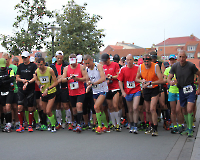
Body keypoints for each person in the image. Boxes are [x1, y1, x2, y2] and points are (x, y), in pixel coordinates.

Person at [167, 50, 200, 137]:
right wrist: (170, 82)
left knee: (189, 109)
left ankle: (190, 129)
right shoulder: (175, 66)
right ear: (178, 58)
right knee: (184, 110)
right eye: (180, 57)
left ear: (186, 57)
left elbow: (199, 74)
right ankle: (188, 128)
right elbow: (168, 77)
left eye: (183, 57)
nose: (182, 59)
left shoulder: (191, 66)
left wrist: (199, 87)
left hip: (190, 89)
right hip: (181, 90)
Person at [135, 54, 163, 136]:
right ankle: (150, 126)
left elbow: (161, 79)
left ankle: (155, 128)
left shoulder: (155, 66)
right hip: (146, 89)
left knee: (152, 108)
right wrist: (142, 81)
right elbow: (136, 78)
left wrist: (151, 82)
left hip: (154, 88)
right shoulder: (141, 67)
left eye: (148, 61)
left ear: (151, 61)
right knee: (147, 110)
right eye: (145, 61)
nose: (146, 63)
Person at [83, 55, 110, 134]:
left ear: (92, 60)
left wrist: (93, 83)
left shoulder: (98, 66)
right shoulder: (87, 69)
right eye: (85, 63)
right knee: (100, 109)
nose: (87, 65)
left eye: (88, 63)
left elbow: (103, 78)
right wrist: (88, 85)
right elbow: (87, 80)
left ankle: (99, 126)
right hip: (95, 91)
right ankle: (106, 126)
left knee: (96, 107)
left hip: (102, 90)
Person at [62, 54, 86, 133]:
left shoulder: (81, 67)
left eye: (74, 61)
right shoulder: (66, 68)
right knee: (74, 109)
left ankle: (79, 124)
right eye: (71, 62)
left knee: (79, 105)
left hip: (80, 90)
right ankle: (77, 122)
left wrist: (78, 79)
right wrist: (68, 78)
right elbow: (63, 79)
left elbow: (86, 78)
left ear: (76, 60)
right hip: (71, 91)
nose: (73, 64)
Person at [118, 54, 141, 134]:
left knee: (135, 108)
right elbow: (120, 80)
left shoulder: (138, 68)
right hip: (127, 91)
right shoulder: (123, 69)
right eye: (127, 60)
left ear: (133, 60)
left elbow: (142, 77)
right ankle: (131, 125)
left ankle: (135, 125)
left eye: (130, 59)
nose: (129, 61)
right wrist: (123, 91)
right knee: (130, 109)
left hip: (137, 90)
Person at [34, 58, 58, 132]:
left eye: (41, 64)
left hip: (51, 92)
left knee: (48, 111)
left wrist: (48, 88)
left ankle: (53, 125)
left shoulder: (50, 70)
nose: (39, 66)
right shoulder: (37, 71)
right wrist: (39, 85)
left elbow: (56, 82)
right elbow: (36, 79)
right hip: (43, 93)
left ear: (44, 63)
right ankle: (53, 122)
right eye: (38, 65)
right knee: (44, 110)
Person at [16, 51, 37, 132]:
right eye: (23, 57)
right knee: (19, 107)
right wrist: (22, 80)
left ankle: (30, 125)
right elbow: (17, 78)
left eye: (25, 57)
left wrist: (28, 82)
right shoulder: (20, 66)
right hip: (21, 88)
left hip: (30, 88)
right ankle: (21, 125)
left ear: (28, 57)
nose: (24, 59)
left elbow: (35, 78)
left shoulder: (33, 65)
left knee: (30, 107)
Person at [50, 51, 71, 130]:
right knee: (57, 105)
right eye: (58, 58)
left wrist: (61, 77)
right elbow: (52, 76)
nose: (59, 59)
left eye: (61, 58)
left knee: (66, 105)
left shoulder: (66, 65)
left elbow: (68, 74)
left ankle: (69, 122)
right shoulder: (52, 66)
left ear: (63, 57)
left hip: (64, 87)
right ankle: (59, 122)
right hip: (56, 87)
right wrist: (58, 78)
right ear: (55, 57)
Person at [101, 53, 121, 131]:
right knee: (110, 107)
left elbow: (119, 75)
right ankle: (113, 123)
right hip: (107, 88)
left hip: (115, 88)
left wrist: (112, 77)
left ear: (109, 59)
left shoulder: (115, 65)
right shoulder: (103, 67)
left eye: (105, 61)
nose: (104, 62)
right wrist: (106, 79)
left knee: (115, 105)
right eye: (103, 61)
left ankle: (118, 124)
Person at [164, 55, 183, 134]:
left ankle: (181, 125)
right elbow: (164, 79)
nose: (172, 61)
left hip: (179, 91)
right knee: (173, 110)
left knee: (179, 110)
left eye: (173, 60)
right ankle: (174, 125)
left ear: (176, 60)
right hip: (171, 91)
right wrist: (170, 82)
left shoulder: (180, 68)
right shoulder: (168, 69)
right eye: (171, 60)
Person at [2, 53, 19, 129]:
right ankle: (10, 122)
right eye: (3, 60)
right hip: (4, 90)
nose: (5, 61)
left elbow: (15, 78)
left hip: (14, 89)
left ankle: (17, 122)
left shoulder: (14, 67)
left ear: (9, 59)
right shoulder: (1, 68)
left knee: (15, 107)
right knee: (7, 107)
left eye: (6, 59)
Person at [0, 58, 15, 132]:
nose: (2, 67)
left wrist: (4, 81)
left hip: (9, 91)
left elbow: (12, 79)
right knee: (4, 109)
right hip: (1, 91)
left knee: (8, 107)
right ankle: (6, 123)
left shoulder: (10, 70)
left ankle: (9, 123)